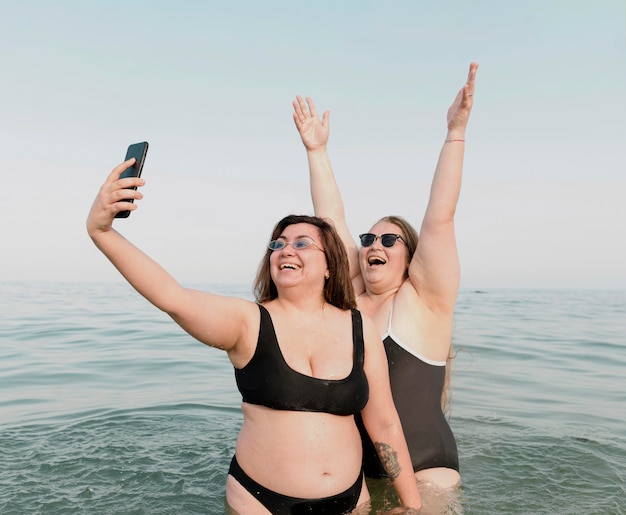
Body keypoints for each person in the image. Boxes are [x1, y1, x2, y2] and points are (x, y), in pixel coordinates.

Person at [86, 162, 423, 514]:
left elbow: (383, 421)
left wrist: (414, 506)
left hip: (351, 501)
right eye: (278, 244)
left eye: (302, 243)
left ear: (329, 266)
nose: (286, 250)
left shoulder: (360, 328)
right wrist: (102, 232)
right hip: (261, 502)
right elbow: (173, 297)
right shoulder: (248, 322)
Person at [292, 62, 479, 503]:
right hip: (360, 478)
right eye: (368, 238)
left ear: (410, 257)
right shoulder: (349, 303)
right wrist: (316, 152)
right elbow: (331, 219)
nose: (374, 243)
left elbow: (440, 216)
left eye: (389, 238)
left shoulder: (423, 302)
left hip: (428, 474)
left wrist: (455, 133)